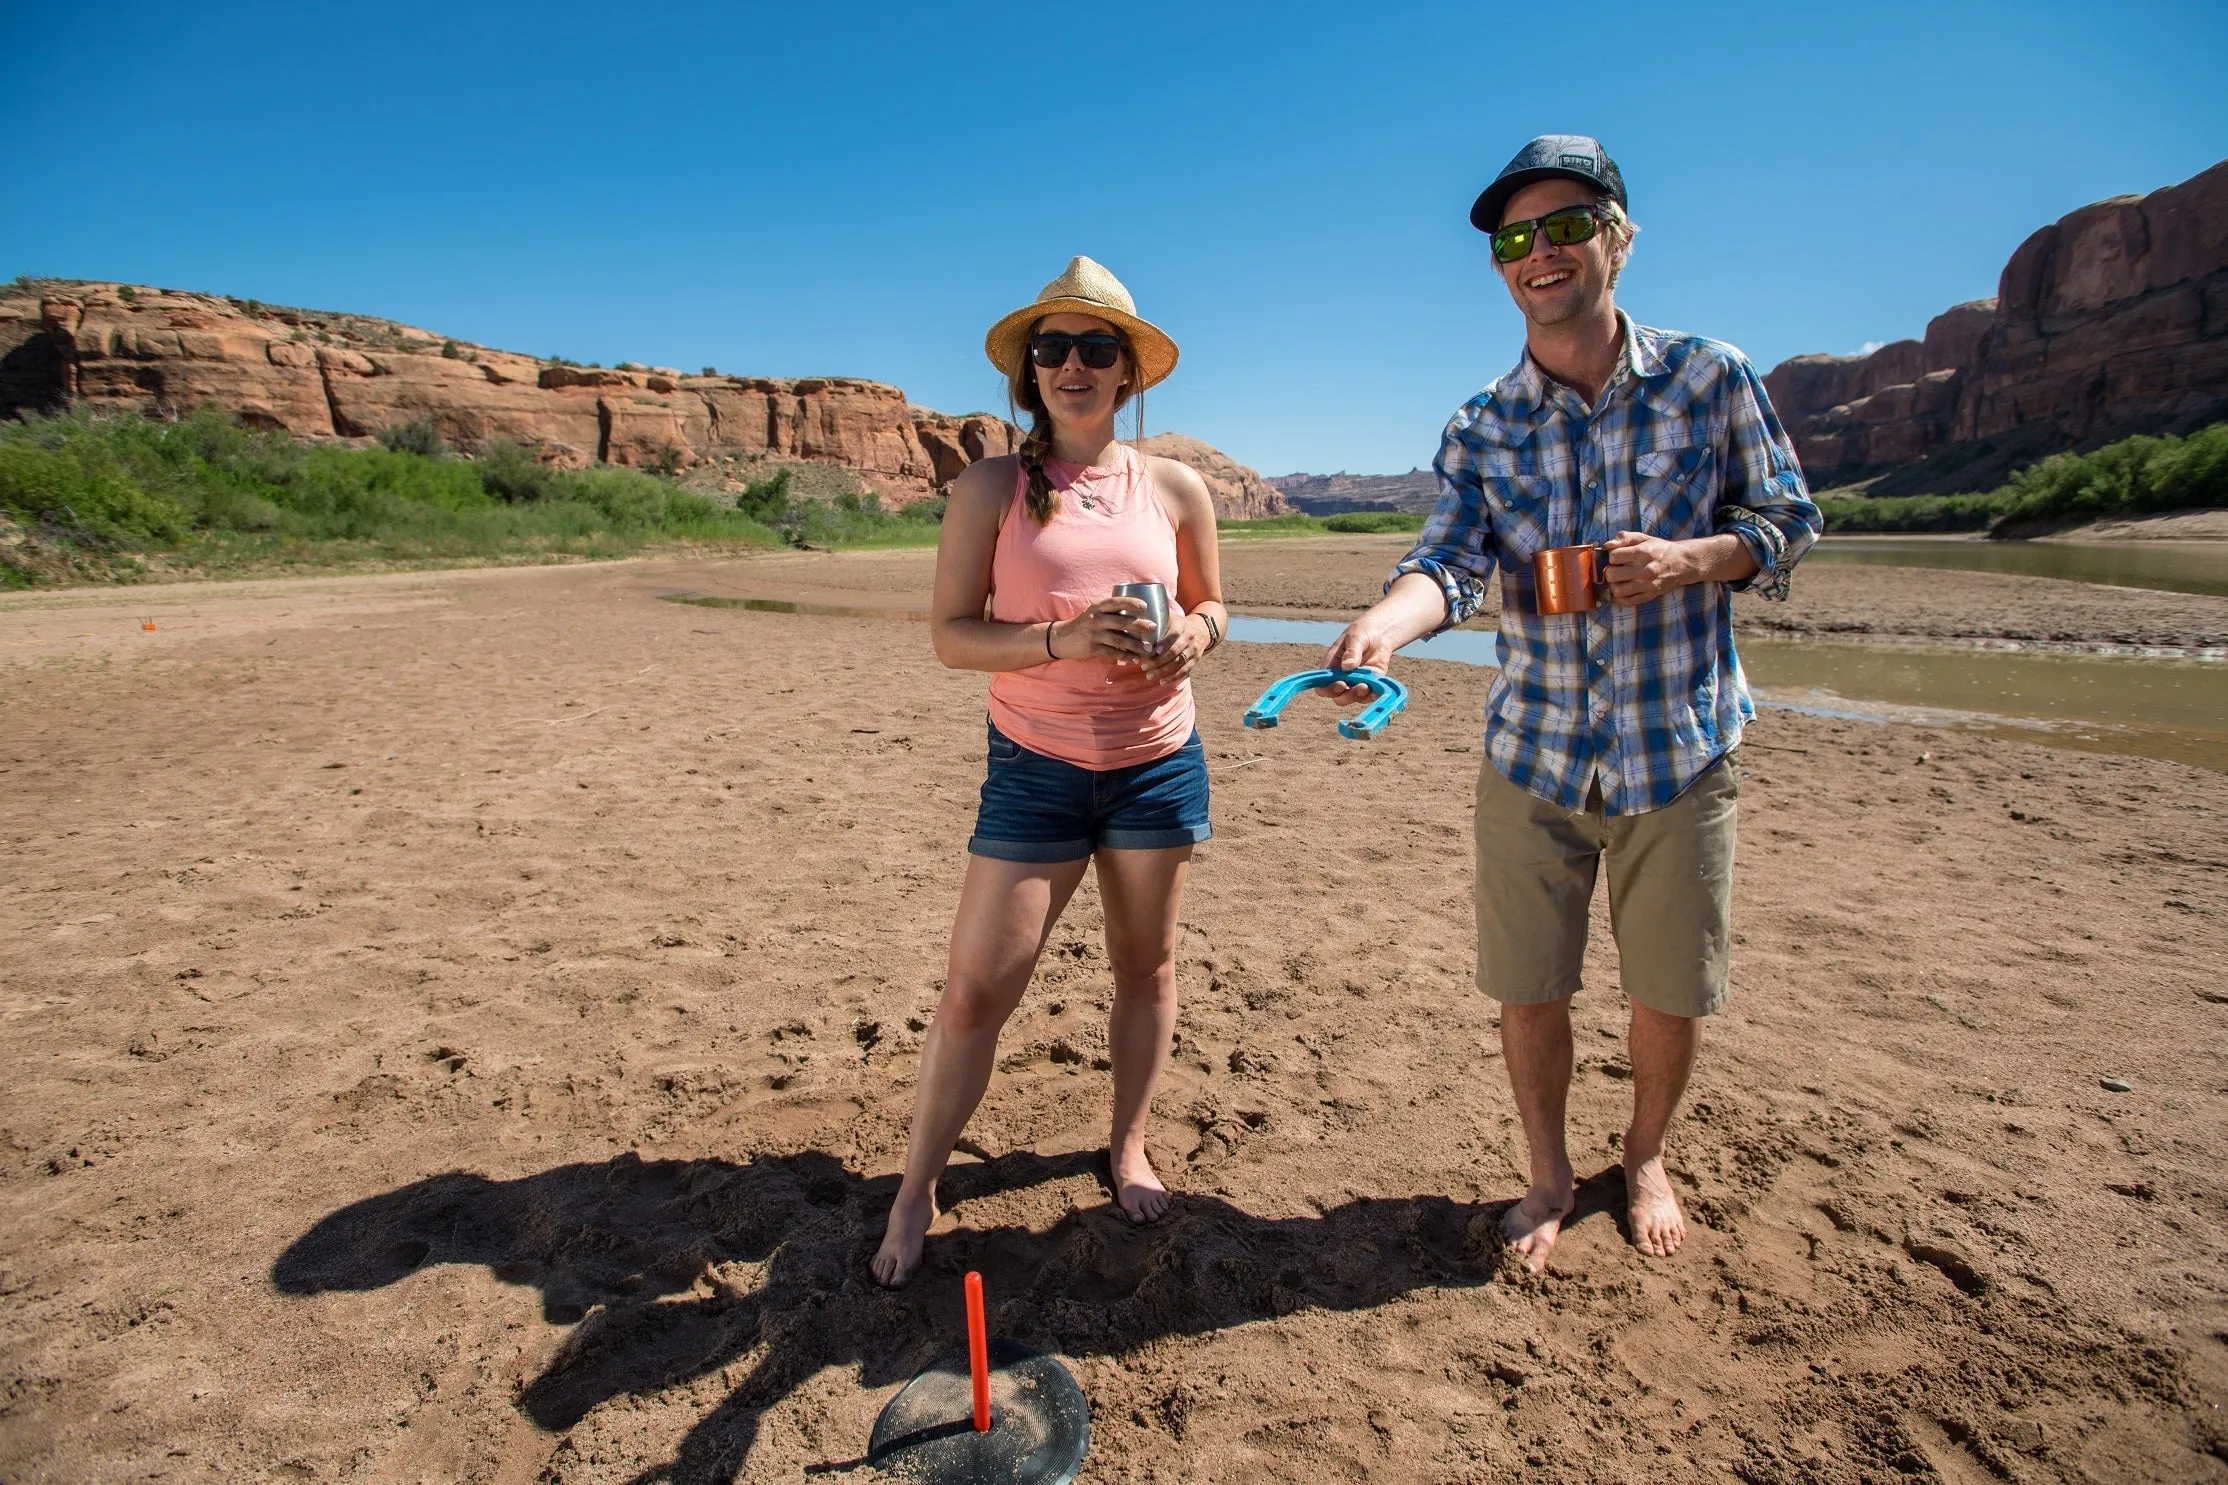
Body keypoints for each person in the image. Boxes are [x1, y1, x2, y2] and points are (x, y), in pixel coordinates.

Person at [1323, 136, 1822, 1273]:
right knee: (1527, 986)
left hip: (1680, 749)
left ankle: (1642, 1155)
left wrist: (1693, 560)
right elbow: (1446, 566)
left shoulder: (1709, 376)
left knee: (1667, 991)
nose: (1537, 253)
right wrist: (1383, 632)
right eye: (1512, 239)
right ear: (1499, 268)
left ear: (1617, 237)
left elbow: (1789, 518)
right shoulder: (1481, 424)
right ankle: (1547, 1173)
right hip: (1532, 759)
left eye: (1563, 227)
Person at [871, 257, 1227, 1289]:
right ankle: (915, 1189)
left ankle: (1124, 1145)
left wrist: (1190, 642)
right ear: (1028, 375)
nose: (1074, 365)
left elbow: (1212, 608)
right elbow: (950, 638)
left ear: (1127, 373)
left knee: (1144, 968)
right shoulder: (992, 487)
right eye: (1053, 349)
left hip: (1156, 764)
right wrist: (1059, 642)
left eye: (1096, 348)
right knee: (978, 990)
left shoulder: (1173, 486)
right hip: (1032, 767)